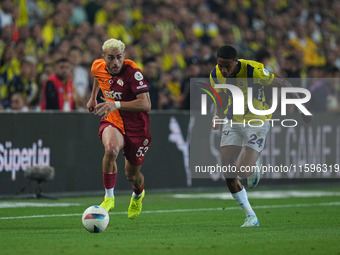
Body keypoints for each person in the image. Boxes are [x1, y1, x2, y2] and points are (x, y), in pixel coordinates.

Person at [210, 45, 312, 227]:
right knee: (228, 173)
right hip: (232, 120)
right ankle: (251, 216)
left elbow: (283, 84)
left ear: (236, 61)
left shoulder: (253, 70)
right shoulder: (215, 74)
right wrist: (217, 117)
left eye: (227, 66)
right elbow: (220, 99)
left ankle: (254, 162)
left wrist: (301, 108)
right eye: (220, 66)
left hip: (257, 120)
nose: (223, 70)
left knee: (242, 171)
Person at [87, 38, 151, 219]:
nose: (115, 63)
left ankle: (138, 195)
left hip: (137, 127)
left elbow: (146, 105)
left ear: (124, 56)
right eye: (111, 58)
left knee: (132, 175)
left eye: (119, 58)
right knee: (111, 149)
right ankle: (109, 198)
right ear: (103, 57)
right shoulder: (97, 66)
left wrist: (115, 103)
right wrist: (93, 97)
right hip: (113, 121)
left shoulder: (133, 72)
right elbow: (98, 77)